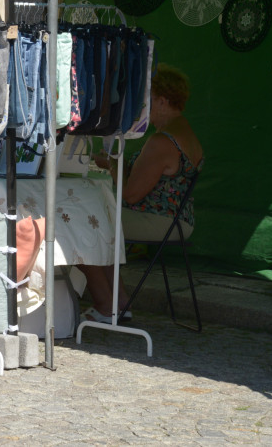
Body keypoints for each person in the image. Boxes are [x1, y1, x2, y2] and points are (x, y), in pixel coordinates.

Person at [78, 64, 204, 323]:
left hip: (161, 220)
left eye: (146, 99)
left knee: (82, 226)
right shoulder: (182, 131)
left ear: (162, 100)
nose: (141, 105)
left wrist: (111, 165)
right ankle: (119, 303)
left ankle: (106, 305)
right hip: (174, 219)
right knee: (96, 221)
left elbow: (131, 194)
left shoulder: (163, 141)